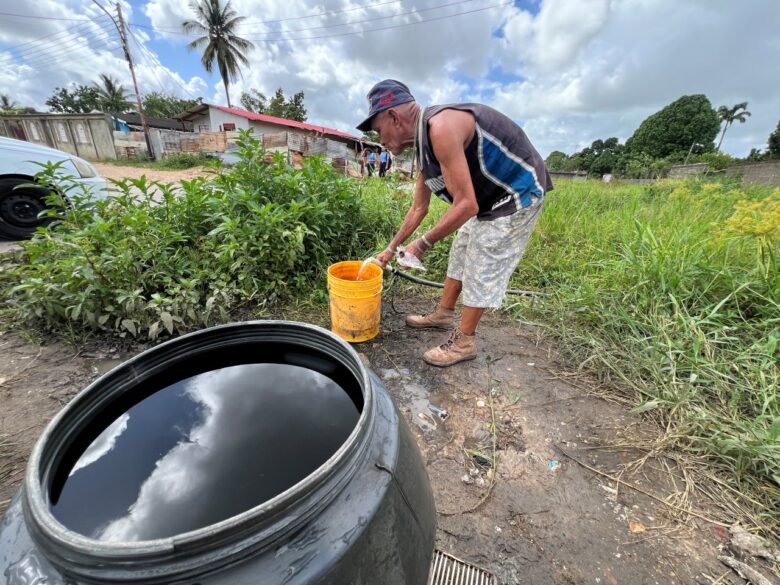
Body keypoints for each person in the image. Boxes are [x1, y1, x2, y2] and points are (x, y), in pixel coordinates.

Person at [356, 79, 552, 367]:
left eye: (378, 130)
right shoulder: (425, 147)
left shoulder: (442, 127)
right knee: (462, 248)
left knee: (483, 256)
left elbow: (466, 205)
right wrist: (390, 249)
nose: (380, 140)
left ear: (394, 117)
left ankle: (464, 341)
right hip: (489, 199)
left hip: (518, 191)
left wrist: (422, 244)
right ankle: (443, 314)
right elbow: (418, 208)